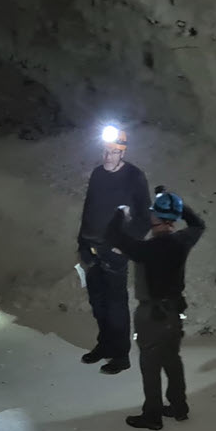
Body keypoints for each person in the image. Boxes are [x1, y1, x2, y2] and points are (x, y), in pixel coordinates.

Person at [106, 186, 205, 430]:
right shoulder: (182, 241)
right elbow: (197, 224)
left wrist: (120, 213)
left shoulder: (146, 249)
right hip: (173, 312)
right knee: (172, 358)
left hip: (151, 314)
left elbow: (113, 235)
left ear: (156, 218)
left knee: (149, 364)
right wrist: (175, 203)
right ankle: (179, 407)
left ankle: (152, 415)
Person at [77, 126, 152, 374]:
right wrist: (82, 242)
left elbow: (143, 216)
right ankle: (105, 345)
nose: (108, 157)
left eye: (113, 152)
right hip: (92, 247)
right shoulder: (98, 174)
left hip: (115, 251)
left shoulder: (134, 177)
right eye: (105, 151)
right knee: (98, 302)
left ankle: (121, 355)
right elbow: (89, 209)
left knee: (116, 304)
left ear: (122, 152)